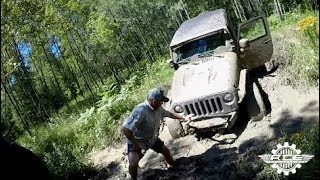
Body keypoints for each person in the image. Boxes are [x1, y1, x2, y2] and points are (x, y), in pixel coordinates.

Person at [122, 88, 191, 180]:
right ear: (154, 101)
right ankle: (133, 177)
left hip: (151, 138)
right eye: (161, 101)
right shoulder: (141, 110)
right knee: (134, 162)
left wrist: (183, 117)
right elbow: (126, 129)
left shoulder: (158, 108)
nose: (162, 103)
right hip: (137, 140)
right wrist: (135, 144)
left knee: (166, 151)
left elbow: (168, 114)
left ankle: (174, 166)